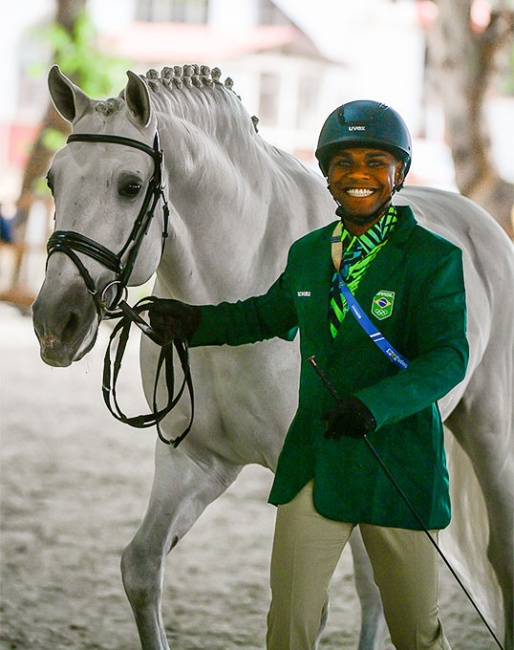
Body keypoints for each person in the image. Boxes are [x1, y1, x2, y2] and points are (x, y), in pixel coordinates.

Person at [147, 100, 469, 650]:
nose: (359, 175)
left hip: (398, 470)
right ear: (327, 174)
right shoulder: (308, 254)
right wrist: (195, 322)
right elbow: (264, 316)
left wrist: (376, 405)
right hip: (315, 463)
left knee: (416, 632)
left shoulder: (433, 258)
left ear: (400, 173)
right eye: (343, 163)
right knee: (289, 622)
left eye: (375, 162)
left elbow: (447, 359)